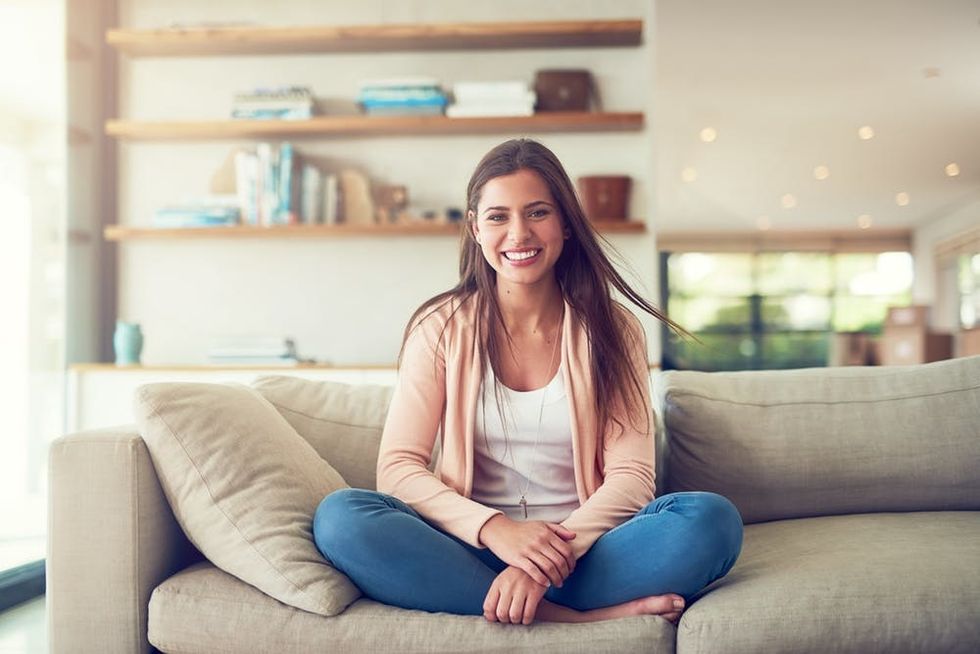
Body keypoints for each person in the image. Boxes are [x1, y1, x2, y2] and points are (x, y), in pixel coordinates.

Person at [313, 138, 743, 626]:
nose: (519, 233)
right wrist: (496, 530)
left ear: (565, 223)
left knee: (710, 521)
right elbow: (397, 467)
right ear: (475, 229)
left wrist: (541, 563)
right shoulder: (439, 327)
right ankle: (574, 617)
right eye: (498, 217)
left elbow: (631, 476)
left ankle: (523, 601)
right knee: (342, 518)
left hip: (583, 555)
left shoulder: (613, 328)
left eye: (537, 212)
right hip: (469, 550)